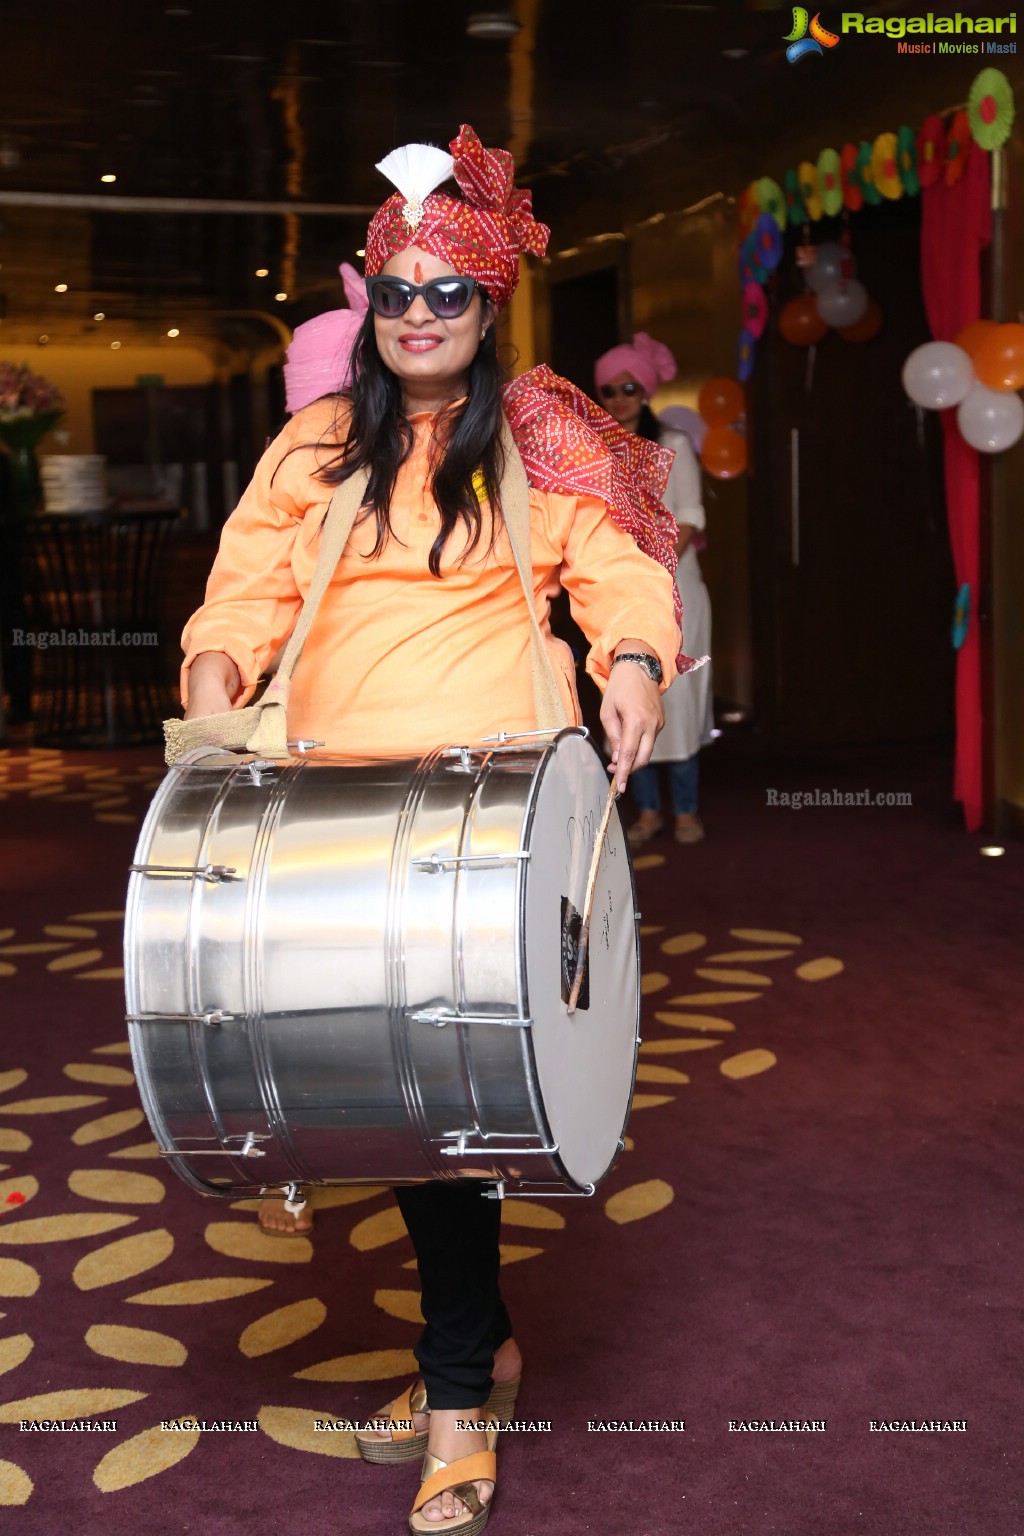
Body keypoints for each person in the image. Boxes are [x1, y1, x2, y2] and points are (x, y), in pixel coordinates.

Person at [180, 124, 682, 1534]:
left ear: (485, 302)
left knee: (441, 1107)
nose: (417, 315)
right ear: (368, 303)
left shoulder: (536, 434)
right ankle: (481, 1350)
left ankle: (459, 1389)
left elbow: (617, 573)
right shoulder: (317, 440)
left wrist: (631, 664)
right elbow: (246, 590)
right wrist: (215, 670)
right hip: (330, 816)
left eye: (444, 293)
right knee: (392, 1100)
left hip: (487, 819)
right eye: (394, 292)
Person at [595, 333, 714, 845]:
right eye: (607, 389)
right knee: (626, 695)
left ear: (644, 391)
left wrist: (652, 568)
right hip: (618, 595)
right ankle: (645, 810)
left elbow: (689, 517)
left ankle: (685, 809)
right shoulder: (594, 449)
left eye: (628, 387)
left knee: (681, 702)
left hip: (676, 588)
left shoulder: (673, 445)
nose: (618, 398)